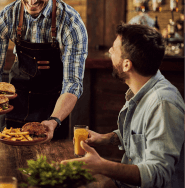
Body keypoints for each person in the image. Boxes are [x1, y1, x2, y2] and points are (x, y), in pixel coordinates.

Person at [61, 24, 185, 188]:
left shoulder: (163, 103)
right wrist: (104, 138)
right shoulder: (142, 90)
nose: (110, 52)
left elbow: (158, 174)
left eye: (113, 49)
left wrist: (102, 166)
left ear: (127, 65)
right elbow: (140, 134)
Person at [0, 0, 88, 140]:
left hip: (53, 111)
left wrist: (54, 121)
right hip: (13, 106)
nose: (31, 0)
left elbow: (73, 84)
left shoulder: (71, 23)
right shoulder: (5, 19)